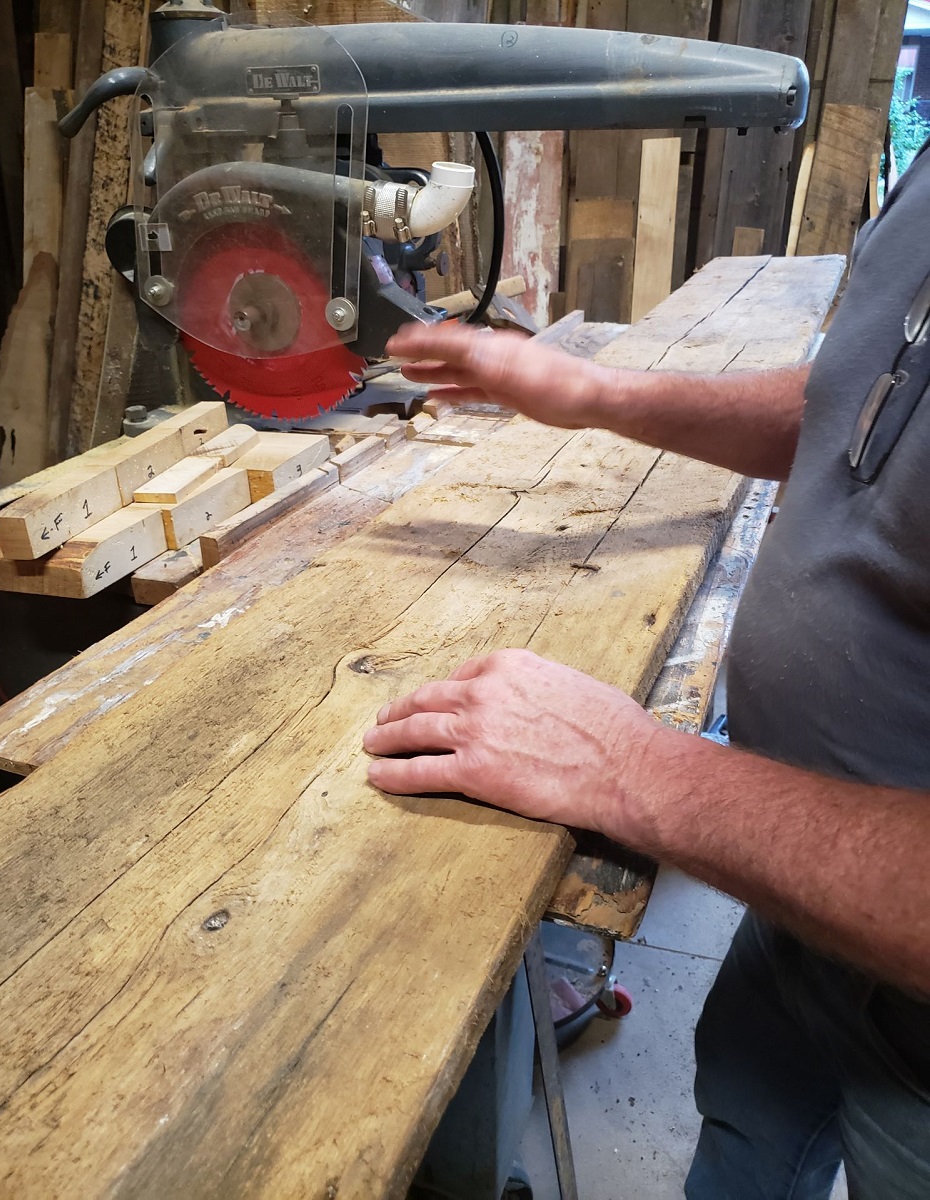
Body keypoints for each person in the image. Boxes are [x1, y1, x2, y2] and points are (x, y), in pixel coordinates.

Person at [364, 142, 930, 1198]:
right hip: (803, 887)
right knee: (746, 1143)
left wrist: (636, 771)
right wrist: (590, 394)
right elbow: (861, 403)